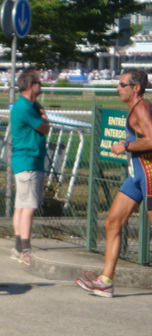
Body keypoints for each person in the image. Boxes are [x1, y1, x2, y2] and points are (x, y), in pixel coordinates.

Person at [76, 68, 152, 298]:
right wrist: (128, 142)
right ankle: (106, 281)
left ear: (136, 88)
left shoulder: (141, 107)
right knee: (112, 222)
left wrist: (126, 146)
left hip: (149, 175)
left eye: (122, 85)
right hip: (135, 176)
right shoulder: (135, 109)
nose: (118, 89)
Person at [10, 70, 50, 265]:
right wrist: (43, 114)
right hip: (28, 160)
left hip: (25, 160)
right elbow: (44, 127)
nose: (40, 86)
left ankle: (19, 246)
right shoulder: (26, 108)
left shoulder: (26, 105)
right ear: (29, 86)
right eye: (38, 83)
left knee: (21, 206)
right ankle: (25, 249)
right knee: (28, 207)